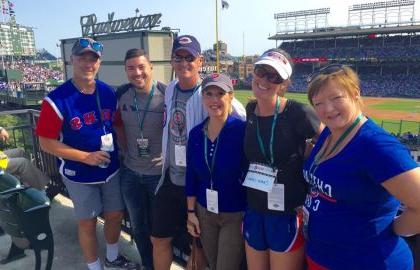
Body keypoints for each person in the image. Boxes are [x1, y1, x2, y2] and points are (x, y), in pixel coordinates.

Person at [303, 64, 420, 269]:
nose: (327, 109)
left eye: (336, 98)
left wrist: (393, 229)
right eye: (318, 102)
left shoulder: (377, 146)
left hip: (366, 261)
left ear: (355, 93)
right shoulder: (329, 134)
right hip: (322, 256)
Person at [36, 37, 138, 270]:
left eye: (93, 59)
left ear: (99, 63)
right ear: (72, 60)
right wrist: (85, 157)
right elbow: (45, 143)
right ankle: (95, 267)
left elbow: (118, 125)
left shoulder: (107, 92)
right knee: (88, 223)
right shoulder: (56, 100)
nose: (88, 63)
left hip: (110, 169)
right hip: (79, 173)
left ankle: (112, 258)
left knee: (115, 215)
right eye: (82, 57)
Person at [150, 35, 246, 270]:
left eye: (189, 57)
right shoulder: (171, 88)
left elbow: (238, 116)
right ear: (172, 60)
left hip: (202, 186)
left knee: (198, 248)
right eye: (178, 57)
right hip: (173, 178)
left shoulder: (212, 93)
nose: (184, 63)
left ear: (200, 60)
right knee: (159, 238)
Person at [242, 48, 321, 270]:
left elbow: (329, 143)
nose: (264, 79)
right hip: (255, 208)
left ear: (284, 83)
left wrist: (309, 157)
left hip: (286, 212)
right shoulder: (250, 110)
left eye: (273, 76)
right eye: (261, 70)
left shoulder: (298, 112)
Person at [185, 73, 247, 270]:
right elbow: (191, 176)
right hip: (204, 212)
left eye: (220, 93)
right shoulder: (196, 133)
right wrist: (190, 212)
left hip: (234, 213)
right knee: (212, 264)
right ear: (202, 98)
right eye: (208, 94)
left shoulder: (242, 130)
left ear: (230, 96)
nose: (214, 100)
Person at [113, 48, 166, 270]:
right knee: (138, 227)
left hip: (158, 176)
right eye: (131, 68)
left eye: (141, 66)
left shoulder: (166, 94)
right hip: (131, 174)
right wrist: (127, 151)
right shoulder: (121, 94)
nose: (137, 72)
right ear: (126, 71)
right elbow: (118, 126)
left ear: (151, 67)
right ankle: (147, 265)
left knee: (159, 231)